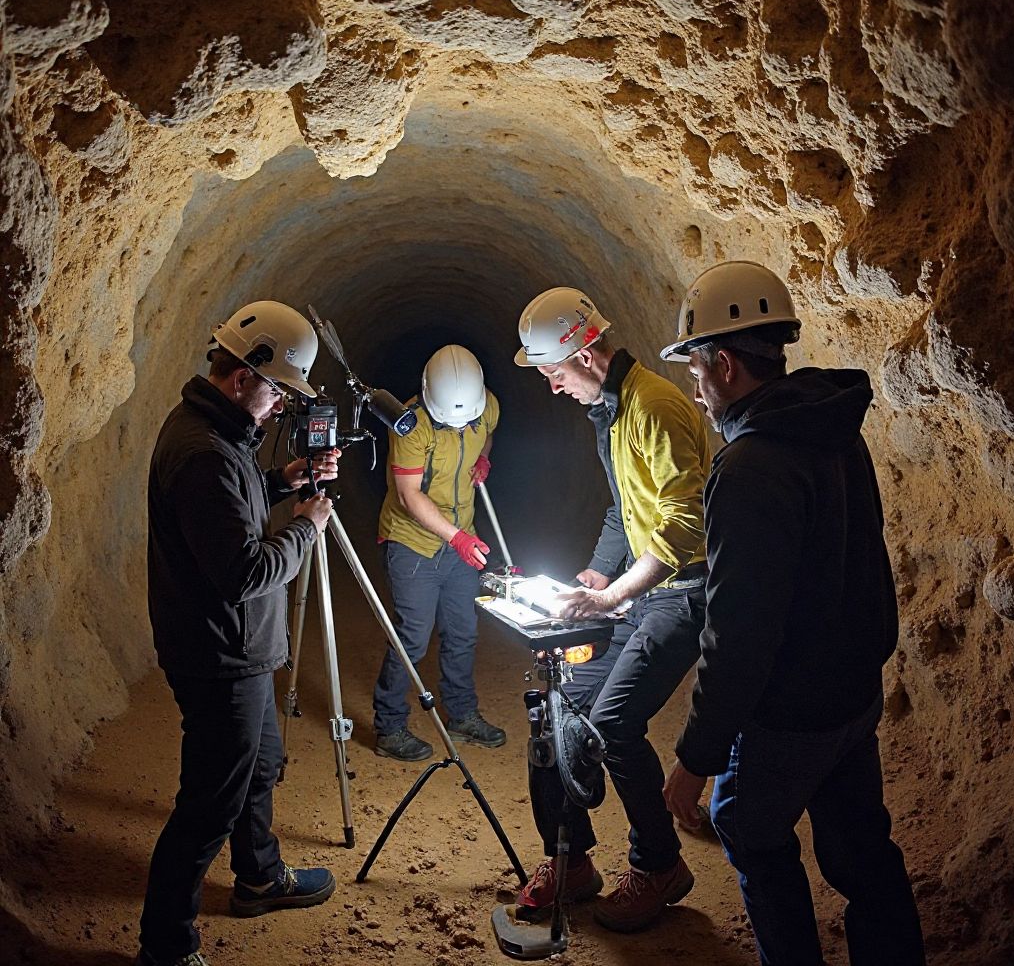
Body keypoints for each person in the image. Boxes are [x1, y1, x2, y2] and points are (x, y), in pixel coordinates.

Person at [660, 262, 926, 966]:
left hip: (791, 710)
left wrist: (696, 757)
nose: (695, 387)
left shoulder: (748, 468)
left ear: (723, 363)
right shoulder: (837, 430)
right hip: (850, 694)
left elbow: (739, 632)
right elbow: (863, 557)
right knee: (861, 848)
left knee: (748, 831)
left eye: (696, 369)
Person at [139, 300, 341, 966]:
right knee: (207, 806)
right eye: (280, 390)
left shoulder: (217, 436)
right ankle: (166, 946)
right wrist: (307, 526)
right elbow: (241, 570)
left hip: (237, 650)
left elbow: (234, 497)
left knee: (258, 769)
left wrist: (281, 482)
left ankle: (259, 876)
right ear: (241, 378)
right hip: (219, 654)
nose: (283, 406)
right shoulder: (202, 451)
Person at [512, 287, 711, 933]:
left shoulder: (653, 406)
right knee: (565, 707)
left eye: (553, 372)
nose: (551, 387)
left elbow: (685, 523)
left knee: (616, 723)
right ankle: (571, 860)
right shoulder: (613, 411)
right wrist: (600, 570)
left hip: (682, 593)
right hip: (638, 589)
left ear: (586, 353)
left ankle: (659, 866)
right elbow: (625, 508)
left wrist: (613, 595)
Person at [373, 344, 506, 760]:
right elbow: (410, 496)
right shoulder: (411, 426)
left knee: (462, 631)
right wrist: (458, 539)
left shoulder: (486, 408)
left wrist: (483, 459)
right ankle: (389, 726)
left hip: (460, 536)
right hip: (415, 543)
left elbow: (488, 432)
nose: (465, 422)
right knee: (411, 637)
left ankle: (462, 714)